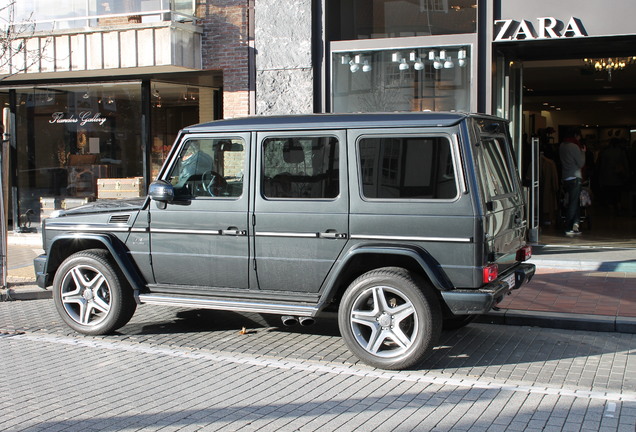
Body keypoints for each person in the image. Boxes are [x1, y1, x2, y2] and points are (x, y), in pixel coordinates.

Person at [559, 128, 586, 236]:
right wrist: (583, 153)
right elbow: (581, 163)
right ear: (576, 135)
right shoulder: (574, 146)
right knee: (574, 203)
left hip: (565, 177)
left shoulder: (562, 145)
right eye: (579, 136)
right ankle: (569, 227)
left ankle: (575, 225)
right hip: (575, 177)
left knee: (571, 201)